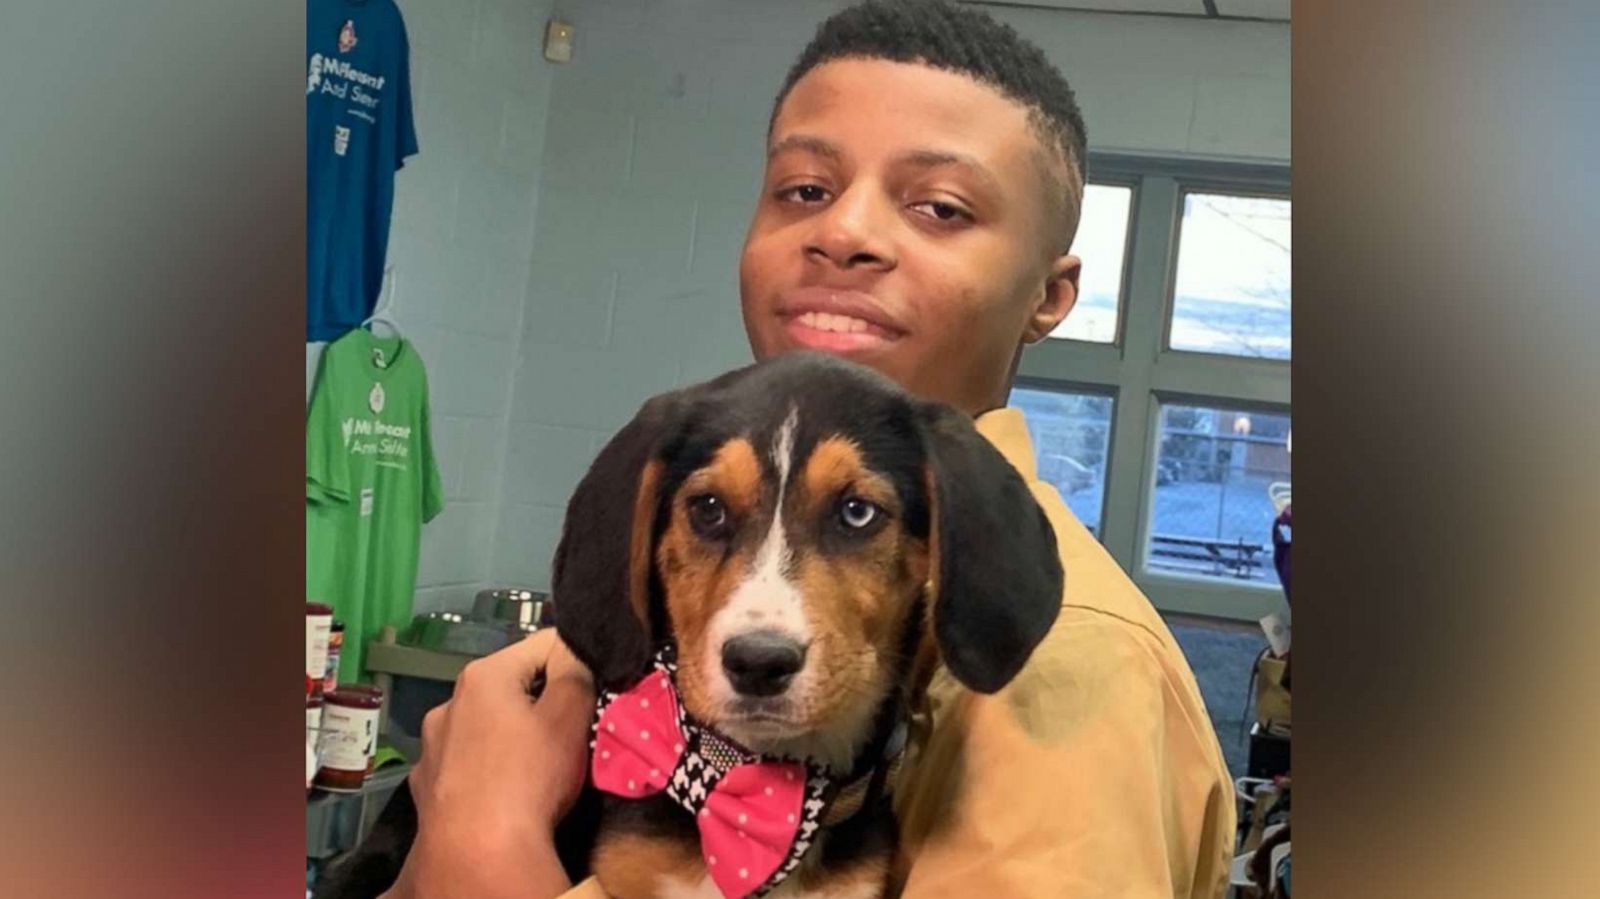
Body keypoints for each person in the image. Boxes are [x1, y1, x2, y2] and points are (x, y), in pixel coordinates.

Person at [381, 2, 1234, 897]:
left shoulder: (1061, 662)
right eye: (804, 190)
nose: (844, 233)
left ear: (1049, 297)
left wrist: (483, 841)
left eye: (939, 206)